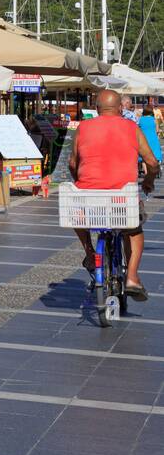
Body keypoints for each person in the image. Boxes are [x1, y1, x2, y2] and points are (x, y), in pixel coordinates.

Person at [69, 89, 159, 299]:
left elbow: (72, 162)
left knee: (76, 211)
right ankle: (133, 278)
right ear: (120, 108)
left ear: (97, 109)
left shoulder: (83, 127)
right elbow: (152, 163)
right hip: (122, 198)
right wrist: (148, 181)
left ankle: (90, 254)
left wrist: (80, 181)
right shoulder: (131, 127)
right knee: (133, 229)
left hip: (89, 197)